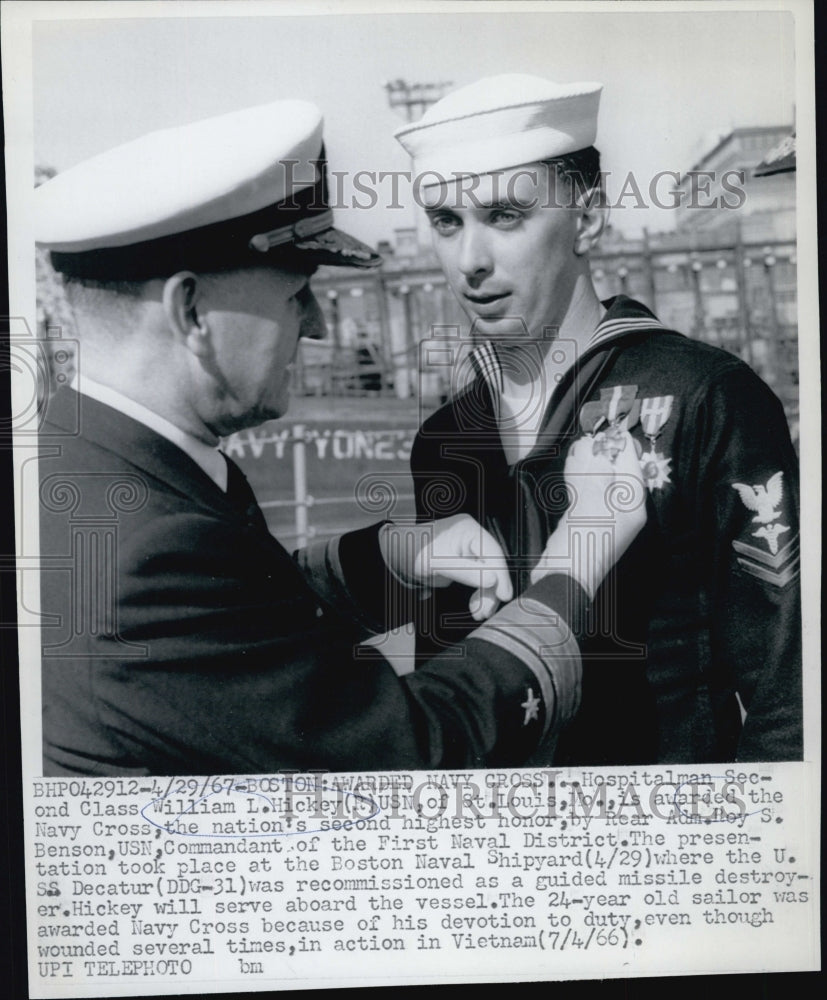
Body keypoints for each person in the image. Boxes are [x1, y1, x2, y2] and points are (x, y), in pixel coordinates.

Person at [34, 99, 645, 777]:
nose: (318, 324)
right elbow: (410, 753)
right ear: (190, 311)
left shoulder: (80, 465)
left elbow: (235, 620)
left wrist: (392, 559)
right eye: (297, 293)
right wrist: (576, 556)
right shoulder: (147, 558)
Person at [395, 74, 802, 765]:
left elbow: (789, 695)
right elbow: (447, 688)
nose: (469, 261)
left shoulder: (705, 398)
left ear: (587, 220)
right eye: (446, 222)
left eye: (504, 217)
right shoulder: (445, 437)